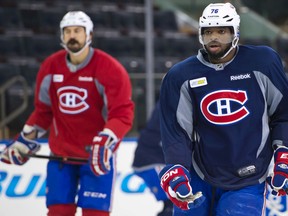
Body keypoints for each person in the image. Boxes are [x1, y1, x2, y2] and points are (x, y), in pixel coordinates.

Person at [158, 2, 288, 216]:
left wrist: (283, 152)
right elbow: (176, 132)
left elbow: (283, 114)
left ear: (235, 33)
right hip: (198, 174)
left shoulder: (262, 62)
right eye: (208, 32)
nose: (214, 37)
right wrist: (176, 167)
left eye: (221, 31)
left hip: (248, 177)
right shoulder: (181, 76)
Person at [0, 11, 134, 216]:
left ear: (89, 35)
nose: (73, 35)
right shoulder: (51, 66)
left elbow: (122, 113)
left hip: (96, 157)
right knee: (58, 212)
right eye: (68, 31)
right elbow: (43, 112)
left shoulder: (109, 68)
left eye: (78, 31)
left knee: (95, 213)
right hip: (60, 157)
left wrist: (106, 141)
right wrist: (23, 141)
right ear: (62, 36)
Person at [132, 100, 173, 216]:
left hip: (151, 159)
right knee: (175, 203)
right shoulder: (172, 101)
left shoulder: (172, 98)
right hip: (151, 161)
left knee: (173, 203)